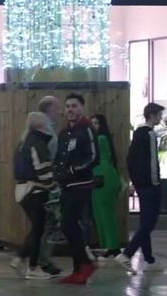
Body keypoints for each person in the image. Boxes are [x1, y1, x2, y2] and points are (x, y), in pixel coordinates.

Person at [52, 94, 99, 284]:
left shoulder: (87, 129)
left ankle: (86, 263)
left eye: (74, 106)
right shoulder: (64, 133)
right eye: (68, 106)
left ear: (82, 108)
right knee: (69, 225)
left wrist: (73, 170)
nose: (70, 109)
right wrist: (57, 173)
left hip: (81, 184)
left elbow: (94, 157)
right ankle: (79, 270)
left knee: (68, 224)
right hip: (66, 185)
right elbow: (59, 157)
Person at [120, 103, 166, 273]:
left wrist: (135, 182)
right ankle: (127, 254)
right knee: (149, 223)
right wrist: (155, 182)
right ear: (152, 115)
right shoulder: (150, 134)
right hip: (150, 184)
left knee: (144, 222)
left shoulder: (138, 134)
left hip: (140, 184)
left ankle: (149, 259)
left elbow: (130, 159)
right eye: (159, 115)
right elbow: (152, 162)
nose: (161, 118)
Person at [12, 112, 57, 280]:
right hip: (35, 190)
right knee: (38, 229)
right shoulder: (38, 142)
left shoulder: (23, 142)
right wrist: (52, 183)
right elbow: (43, 168)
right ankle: (32, 267)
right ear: (43, 125)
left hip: (22, 190)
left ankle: (20, 257)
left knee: (37, 228)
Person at [88, 113, 124, 259]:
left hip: (103, 177)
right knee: (101, 213)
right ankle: (108, 246)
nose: (93, 126)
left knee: (105, 214)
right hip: (102, 176)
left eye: (96, 123)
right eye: (92, 123)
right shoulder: (99, 138)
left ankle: (112, 246)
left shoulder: (100, 138)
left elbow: (97, 158)